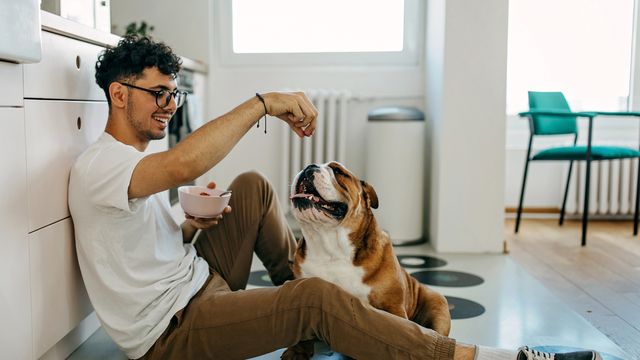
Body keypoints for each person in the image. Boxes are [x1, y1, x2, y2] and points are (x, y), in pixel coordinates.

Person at [68, 35, 603, 360]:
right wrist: (264, 103)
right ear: (120, 94)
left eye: (173, 93)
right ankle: (483, 357)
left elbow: (143, 238)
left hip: (198, 286)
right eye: (159, 93)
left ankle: (297, 300)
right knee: (318, 302)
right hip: (173, 335)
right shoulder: (100, 166)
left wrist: (190, 227)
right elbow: (185, 163)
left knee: (253, 186)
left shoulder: (131, 167)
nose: (168, 104)